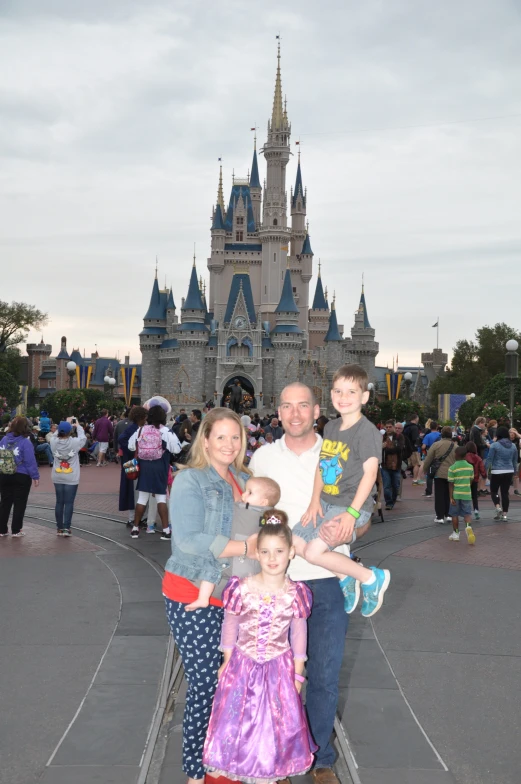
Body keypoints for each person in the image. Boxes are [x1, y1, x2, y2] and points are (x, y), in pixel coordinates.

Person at [250, 378, 373, 783]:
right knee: (277, 676)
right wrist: (279, 528)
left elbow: (366, 512)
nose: (296, 413)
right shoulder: (264, 457)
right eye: (287, 406)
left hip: (326, 581)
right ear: (277, 410)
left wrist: (349, 530)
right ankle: (281, 757)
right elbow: (253, 514)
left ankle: (321, 758)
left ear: (318, 411)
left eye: (304, 405)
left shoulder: (338, 449)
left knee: (322, 675)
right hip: (277, 584)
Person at [163, 408, 259, 783]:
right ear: (205, 440)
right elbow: (186, 541)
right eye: (220, 436)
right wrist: (245, 547)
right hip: (192, 592)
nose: (229, 444)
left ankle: (227, 758)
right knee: (205, 682)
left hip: (237, 598)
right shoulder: (190, 480)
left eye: (235, 437)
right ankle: (195, 771)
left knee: (235, 682)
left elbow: (264, 519)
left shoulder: (245, 479)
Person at [203, 511, 316, 782]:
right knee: (239, 724)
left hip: (279, 668)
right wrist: (227, 661)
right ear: (257, 553)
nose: (272, 558)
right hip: (242, 666)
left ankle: (268, 774)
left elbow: (299, 634)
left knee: (275, 727)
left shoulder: (295, 593)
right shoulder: (241, 588)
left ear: (291, 553)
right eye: (265, 552)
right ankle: (243, 769)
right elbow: (230, 626)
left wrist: (298, 674)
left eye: (279, 551)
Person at [187, 475, 280, 610]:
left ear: (263, 502)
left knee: (211, 569)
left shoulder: (248, 511)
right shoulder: (271, 516)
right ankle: (204, 599)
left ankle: (203, 598)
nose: (243, 494)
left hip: (236, 557)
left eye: (250, 492)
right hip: (241, 560)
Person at [127, 405, 181, 539]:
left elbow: (130, 445)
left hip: (145, 468)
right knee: (161, 498)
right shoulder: (167, 432)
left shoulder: (141, 430)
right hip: (160, 467)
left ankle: (135, 528)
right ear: (163, 417)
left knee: (142, 498)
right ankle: (166, 530)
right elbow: (177, 449)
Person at [0, 416, 40, 537]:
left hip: (4, 474)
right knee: (20, 503)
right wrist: (35, 476)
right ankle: (16, 530)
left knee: (5, 502)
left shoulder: (3, 440)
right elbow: (30, 461)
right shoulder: (25, 442)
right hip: (21, 475)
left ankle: (2, 529)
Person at [50, 419, 87, 536]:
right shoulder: (75, 442)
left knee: (59, 502)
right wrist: (78, 425)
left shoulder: (53, 441)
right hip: (71, 476)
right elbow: (83, 438)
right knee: (69, 502)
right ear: (70, 431)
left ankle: (59, 528)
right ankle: (66, 528)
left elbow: (55, 434)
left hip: (57, 475)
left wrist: (61, 425)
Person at [118, 406, 148, 527]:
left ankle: (136, 518)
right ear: (140, 418)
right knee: (135, 490)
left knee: (134, 490)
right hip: (134, 462)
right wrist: (134, 451)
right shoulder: (134, 429)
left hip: (130, 461)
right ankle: (135, 518)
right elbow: (122, 439)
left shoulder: (133, 428)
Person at [422, 426, 456, 523]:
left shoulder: (436, 445)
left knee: (439, 495)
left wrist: (426, 469)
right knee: (450, 494)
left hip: (439, 474)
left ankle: (440, 516)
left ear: (442, 434)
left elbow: (429, 458)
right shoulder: (455, 446)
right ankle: (449, 514)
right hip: (452, 474)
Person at [486, 426, 518, 521]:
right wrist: (515, 472)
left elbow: (489, 459)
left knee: (494, 491)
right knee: (505, 493)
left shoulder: (495, 445)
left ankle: (497, 506)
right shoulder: (513, 446)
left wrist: (485, 470)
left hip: (497, 470)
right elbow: (514, 461)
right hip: (509, 471)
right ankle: (505, 515)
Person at [447, 445, 476, 543]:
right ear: (465, 455)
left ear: (456, 455)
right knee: (467, 514)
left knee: (454, 515)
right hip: (466, 494)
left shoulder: (452, 468)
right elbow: (471, 480)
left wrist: (451, 497)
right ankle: (468, 527)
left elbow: (451, 484)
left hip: (456, 494)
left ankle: (456, 534)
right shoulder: (470, 467)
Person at [380, 420, 405, 510]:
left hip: (396, 465)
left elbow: (399, 448)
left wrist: (386, 449)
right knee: (386, 486)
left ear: (393, 427)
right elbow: (378, 448)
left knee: (396, 485)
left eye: (390, 427)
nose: (388, 429)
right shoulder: (382, 437)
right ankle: (389, 503)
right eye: (386, 427)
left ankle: (393, 500)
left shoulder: (399, 436)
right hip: (385, 465)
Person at [465, 441, 486, 520]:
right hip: (475, 479)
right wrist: (484, 475)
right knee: (474, 496)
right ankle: (476, 510)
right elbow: (482, 469)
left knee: (466, 496)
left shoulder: (464, 457)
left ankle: (466, 511)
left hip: (465, 479)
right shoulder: (478, 458)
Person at [420, 421, 441, 497]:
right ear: (437, 427)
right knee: (439, 474)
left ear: (430, 427)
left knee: (429, 475)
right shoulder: (440, 435)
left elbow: (423, 447)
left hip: (431, 456)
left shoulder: (427, 436)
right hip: (440, 457)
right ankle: (439, 492)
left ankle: (429, 492)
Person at [404, 413, 423, 483]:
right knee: (416, 464)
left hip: (407, 447)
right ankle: (415, 479)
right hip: (413, 448)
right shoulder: (414, 427)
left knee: (411, 464)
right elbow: (415, 438)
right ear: (416, 419)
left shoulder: (406, 426)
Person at [509, 427, 521, 495]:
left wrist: (516, 433)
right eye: (510, 432)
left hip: (516, 459)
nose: (512, 434)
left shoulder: (517, 439)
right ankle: (506, 489)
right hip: (508, 459)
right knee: (508, 475)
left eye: (513, 433)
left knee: (516, 475)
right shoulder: (507, 440)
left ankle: (516, 489)